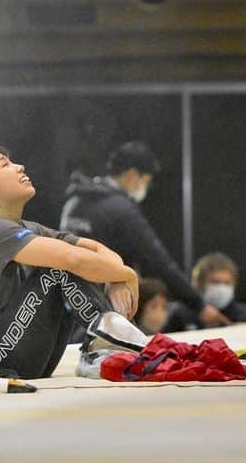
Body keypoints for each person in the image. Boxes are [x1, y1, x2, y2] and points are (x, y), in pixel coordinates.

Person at [0, 146, 150, 379]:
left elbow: (95, 248)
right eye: (5, 165)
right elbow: (71, 258)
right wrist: (127, 275)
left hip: (12, 356)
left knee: (76, 262)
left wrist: (119, 276)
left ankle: (108, 345)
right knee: (57, 268)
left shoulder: (22, 228)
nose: (19, 166)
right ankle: (105, 347)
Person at [60, 140, 229, 329]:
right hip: (106, 310)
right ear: (132, 175)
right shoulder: (121, 210)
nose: (146, 189)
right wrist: (199, 305)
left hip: (68, 307)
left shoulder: (74, 202)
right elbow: (159, 262)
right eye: (146, 181)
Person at [164, 252, 246, 331]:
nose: (221, 288)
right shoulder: (180, 315)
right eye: (215, 282)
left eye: (227, 283)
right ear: (199, 284)